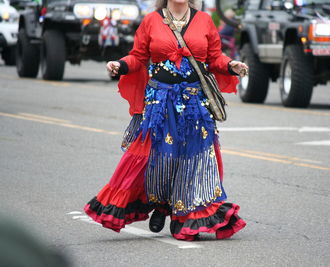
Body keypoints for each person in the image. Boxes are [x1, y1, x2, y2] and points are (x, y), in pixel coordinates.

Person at [84, 0, 248, 241]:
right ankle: (161, 206)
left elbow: (215, 58)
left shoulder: (203, 20)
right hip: (160, 103)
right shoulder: (151, 20)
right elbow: (138, 57)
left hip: (195, 104)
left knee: (194, 158)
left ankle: (185, 217)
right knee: (159, 158)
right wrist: (119, 65)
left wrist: (232, 66)